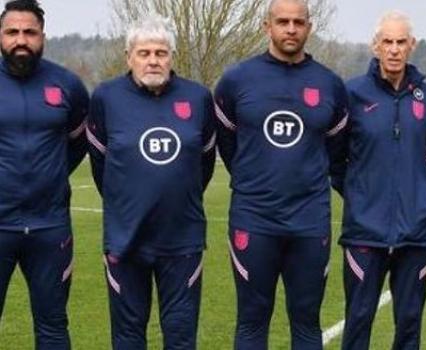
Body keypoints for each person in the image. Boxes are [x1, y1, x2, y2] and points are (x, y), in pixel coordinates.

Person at [213, 0, 348, 348]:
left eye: (298, 22)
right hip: (254, 218)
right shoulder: (236, 80)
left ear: (309, 27)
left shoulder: (330, 85)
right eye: (283, 21)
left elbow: (334, 150)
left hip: (309, 220)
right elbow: (229, 144)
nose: (291, 28)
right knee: (252, 319)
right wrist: (252, 177)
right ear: (266, 26)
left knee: (306, 320)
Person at [86, 14, 216, 349]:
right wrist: (126, 201)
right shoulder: (106, 97)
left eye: (161, 53)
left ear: (172, 56)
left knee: (181, 336)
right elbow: (102, 167)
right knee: (128, 337)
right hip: (125, 239)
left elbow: (204, 163)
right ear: (129, 56)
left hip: (182, 240)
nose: (153, 60)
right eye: (144, 53)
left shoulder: (198, 97)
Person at [332, 10, 426, 350]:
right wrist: (358, 193)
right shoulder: (352, 93)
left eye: (400, 42)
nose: (394, 49)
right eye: (387, 42)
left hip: (416, 232)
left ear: (412, 46)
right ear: (375, 46)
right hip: (365, 229)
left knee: (409, 323)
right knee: (359, 318)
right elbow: (333, 157)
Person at [0, 0, 89, 348]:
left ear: (43, 37)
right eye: (12, 32)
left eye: (29, 32)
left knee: (52, 326)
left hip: (50, 228)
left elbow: (79, 141)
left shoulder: (68, 85)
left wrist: (49, 176)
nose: (21, 40)